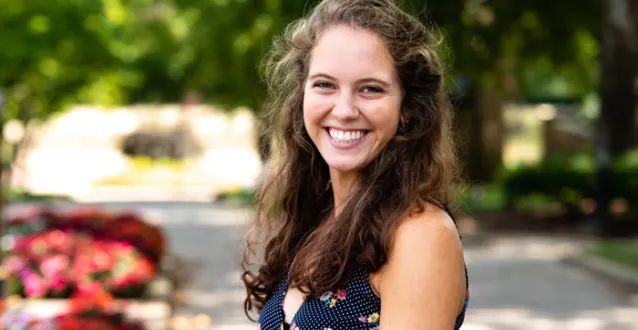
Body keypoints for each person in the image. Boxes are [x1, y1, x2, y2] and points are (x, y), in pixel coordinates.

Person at [242, 0, 469, 329]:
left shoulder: (420, 235)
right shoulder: (321, 222)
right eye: (325, 85)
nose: (345, 109)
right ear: (302, 94)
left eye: (371, 89)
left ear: (407, 108)